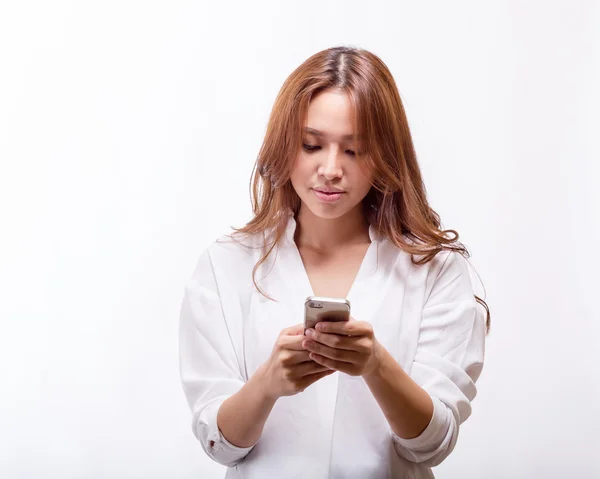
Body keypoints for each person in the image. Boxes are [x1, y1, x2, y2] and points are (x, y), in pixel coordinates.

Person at [178, 45, 491, 479]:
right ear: (285, 146)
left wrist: (376, 366)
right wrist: (268, 383)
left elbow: (431, 444)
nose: (329, 169)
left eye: (354, 150)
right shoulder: (226, 265)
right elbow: (219, 443)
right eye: (311, 145)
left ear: (384, 156)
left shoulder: (433, 270)